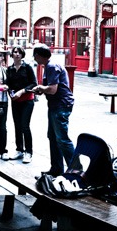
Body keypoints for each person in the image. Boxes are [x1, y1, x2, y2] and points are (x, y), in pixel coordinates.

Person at [32, 44, 76, 177]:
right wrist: (42, 89)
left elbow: (52, 89)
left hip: (60, 105)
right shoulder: (49, 66)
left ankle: (75, 170)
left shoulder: (51, 67)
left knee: (62, 139)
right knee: (53, 137)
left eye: (35, 55)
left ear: (39, 56)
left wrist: (41, 87)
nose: (34, 58)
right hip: (55, 105)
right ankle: (57, 168)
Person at [6, 45, 36, 163]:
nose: (17, 54)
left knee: (25, 125)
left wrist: (22, 91)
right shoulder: (10, 69)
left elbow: (33, 83)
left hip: (27, 100)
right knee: (17, 125)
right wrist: (11, 93)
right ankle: (19, 150)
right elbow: (8, 84)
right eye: (15, 52)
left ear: (22, 54)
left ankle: (29, 152)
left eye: (19, 52)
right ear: (12, 54)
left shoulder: (27, 67)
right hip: (15, 101)